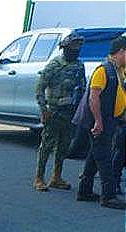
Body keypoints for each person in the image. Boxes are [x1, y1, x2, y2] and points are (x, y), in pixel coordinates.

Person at [77, 34, 126, 209]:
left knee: (94, 154)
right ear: (121, 52)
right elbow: (93, 97)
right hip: (100, 121)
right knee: (104, 157)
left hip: (110, 120)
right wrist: (98, 121)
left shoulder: (118, 70)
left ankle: (84, 190)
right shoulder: (103, 71)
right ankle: (109, 196)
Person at [33, 32, 87, 191]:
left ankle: (56, 177)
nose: (76, 49)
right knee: (47, 145)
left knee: (63, 146)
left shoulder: (79, 65)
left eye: (78, 46)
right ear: (65, 48)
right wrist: (44, 110)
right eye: (73, 46)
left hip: (70, 112)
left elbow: (82, 88)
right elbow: (40, 88)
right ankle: (39, 177)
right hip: (54, 112)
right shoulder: (54, 65)